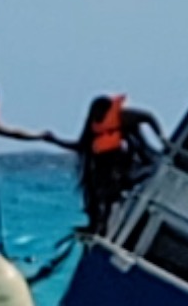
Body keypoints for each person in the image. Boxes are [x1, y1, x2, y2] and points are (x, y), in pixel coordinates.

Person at [47, 95, 165, 233]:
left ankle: (104, 225)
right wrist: (55, 140)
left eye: (101, 114)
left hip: (127, 159)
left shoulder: (124, 116)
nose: (98, 116)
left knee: (110, 190)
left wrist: (160, 136)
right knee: (94, 190)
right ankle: (95, 224)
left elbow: (148, 117)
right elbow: (81, 146)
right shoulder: (93, 125)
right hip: (104, 165)